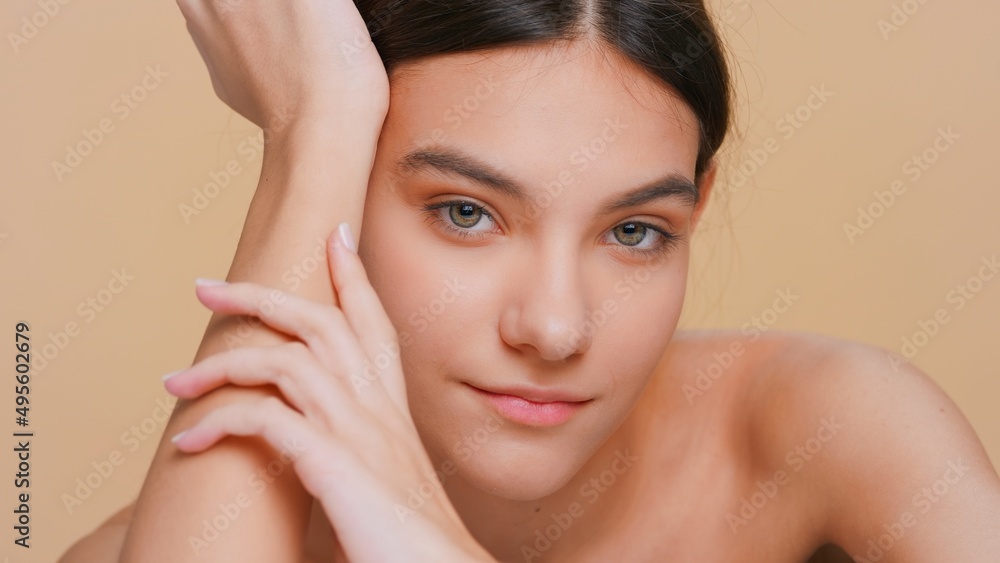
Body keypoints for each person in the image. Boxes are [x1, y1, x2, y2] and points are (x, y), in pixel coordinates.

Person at [60, 0, 1000, 561]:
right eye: (466, 211)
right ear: (340, 197)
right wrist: (316, 124)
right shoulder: (172, 540)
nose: (554, 329)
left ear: (698, 206)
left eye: (635, 230)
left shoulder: (832, 433)